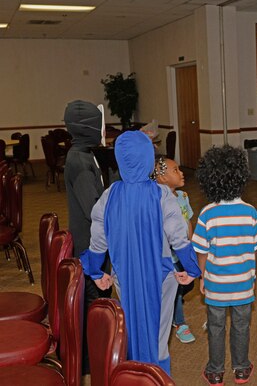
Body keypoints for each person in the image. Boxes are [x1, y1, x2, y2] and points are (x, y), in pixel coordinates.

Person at [80, 131, 200, 375]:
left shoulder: (109, 195)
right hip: (162, 276)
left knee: (132, 329)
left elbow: (97, 242)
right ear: (148, 159)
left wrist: (94, 271)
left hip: (124, 275)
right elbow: (180, 238)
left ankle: (135, 376)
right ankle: (157, 377)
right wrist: (192, 269)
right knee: (158, 335)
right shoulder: (162, 194)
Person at [192, 145, 257, 386]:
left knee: (215, 327)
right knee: (242, 326)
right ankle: (241, 369)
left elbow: (201, 252)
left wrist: (203, 277)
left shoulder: (207, 214)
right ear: (242, 176)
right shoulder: (250, 212)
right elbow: (253, 248)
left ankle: (215, 372)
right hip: (243, 284)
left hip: (216, 285)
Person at [63, 99, 111, 374]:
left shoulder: (83, 154)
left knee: (94, 303)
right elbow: (94, 209)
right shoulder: (80, 162)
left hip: (91, 241)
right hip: (87, 245)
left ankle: (90, 358)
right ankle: (89, 363)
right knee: (94, 304)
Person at [152, 155, 196, 344]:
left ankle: (169, 305)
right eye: (175, 170)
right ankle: (180, 323)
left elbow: (188, 220)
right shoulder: (157, 199)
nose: (181, 173)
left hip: (182, 251)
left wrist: (191, 242)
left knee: (188, 284)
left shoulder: (183, 196)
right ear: (161, 177)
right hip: (166, 254)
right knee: (175, 286)